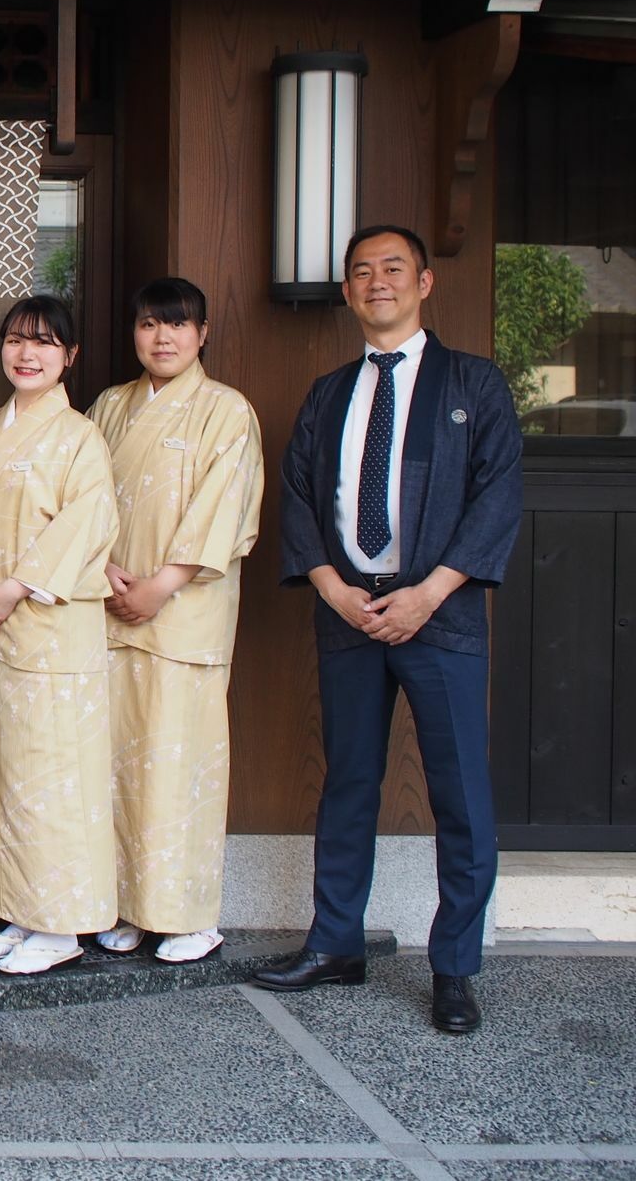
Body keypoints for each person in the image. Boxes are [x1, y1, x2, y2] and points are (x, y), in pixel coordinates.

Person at [256, 224, 522, 1035]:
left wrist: (430, 592)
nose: (377, 282)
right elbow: (299, 496)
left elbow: (497, 497)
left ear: (425, 283)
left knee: (461, 797)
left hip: (438, 614)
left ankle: (454, 969)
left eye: (393, 269)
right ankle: (335, 942)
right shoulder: (331, 391)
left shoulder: (474, 384)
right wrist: (333, 587)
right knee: (348, 782)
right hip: (348, 611)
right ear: (346, 291)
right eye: (362, 272)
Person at [87, 278, 264, 965]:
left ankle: (189, 914)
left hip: (183, 614)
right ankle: (127, 904)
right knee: (117, 766)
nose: (163, 337)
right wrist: (101, 569)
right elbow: (85, 498)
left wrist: (163, 584)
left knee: (178, 763)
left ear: (204, 333)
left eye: (178, 325)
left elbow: (227, 510)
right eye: (150, 324)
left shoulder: (226, 412)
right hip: (109, 604)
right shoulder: (110, 407)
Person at [0, 294, 119, 975]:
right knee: (7, 778)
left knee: (57, 777)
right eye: (18, 341)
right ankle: (21, 913)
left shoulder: (81, 437)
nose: (28, 354)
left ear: (70, 357)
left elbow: (85, 525)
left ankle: (61, 927)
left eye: (46, 343)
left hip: (51, 630)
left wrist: (12, 587)